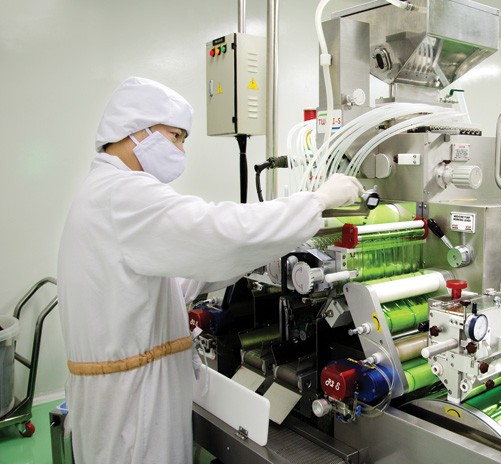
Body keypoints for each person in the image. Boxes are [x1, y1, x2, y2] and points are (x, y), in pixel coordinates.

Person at [57, 76, 364, 464]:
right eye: (175, 136)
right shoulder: (122, 195)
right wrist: (316, 202)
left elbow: (185, 274)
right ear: (136, 130)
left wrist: (261, 251)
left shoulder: (107, 192)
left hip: (129, 391)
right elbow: (219, 231)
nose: (181, 150)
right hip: (131, 408)